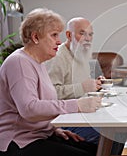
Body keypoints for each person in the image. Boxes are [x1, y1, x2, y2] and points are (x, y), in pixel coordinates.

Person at [0, 8, 101, 156]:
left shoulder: (38, 62)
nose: (59, 41)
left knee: (97, 150)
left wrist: (53, 129)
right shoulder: (19, 62)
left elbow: (41, 105)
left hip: (39, 135)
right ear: (35, 37)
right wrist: (77, 105)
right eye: (54, 35)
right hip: (19, 142)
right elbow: (29, 109)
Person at [45, 17, 126, 155]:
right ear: (69, 35)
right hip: (64, 119)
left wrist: (96, 83)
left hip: (82, 113)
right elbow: (51, 94)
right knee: (113, 134)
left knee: (120, 129)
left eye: (90, 34)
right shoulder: (58, 57)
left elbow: (81, 86)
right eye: (82, 33)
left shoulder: (82, 54)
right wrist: (83, 87)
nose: (87, 38)